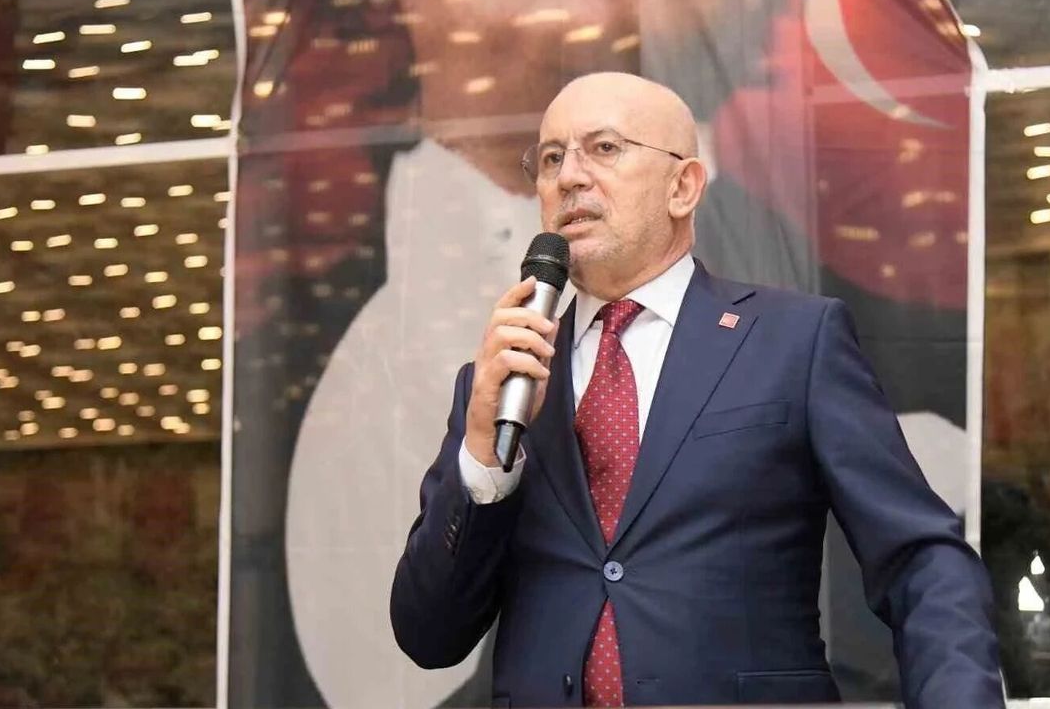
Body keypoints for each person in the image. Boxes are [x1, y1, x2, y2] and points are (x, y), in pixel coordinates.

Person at [389, 72, 1004, 708]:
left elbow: (920, 560)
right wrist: (483, 460)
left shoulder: (794, 341)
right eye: (550, 159)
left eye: (604, 148)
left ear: (682, 187)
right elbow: (428, 635)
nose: (569, 176)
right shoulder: (505, 379)